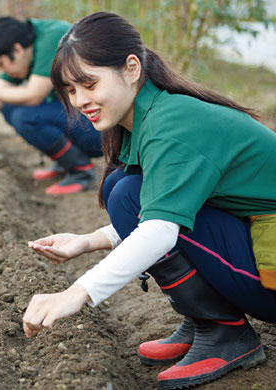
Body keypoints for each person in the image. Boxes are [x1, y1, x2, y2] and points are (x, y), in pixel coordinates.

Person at [22, 12, 276, 389]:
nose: (81, 101)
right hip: (255, 238)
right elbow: (162, 201)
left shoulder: (171, 124)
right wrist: (90, 241)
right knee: (123, 189)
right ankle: (205, 319)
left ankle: (224, 331)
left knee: (127, 193)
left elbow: (158, 228)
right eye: (71, 91)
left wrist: (76, 294)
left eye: (89, 84)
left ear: (131, 68)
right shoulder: (148, 116)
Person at [0, 16, 102, 195]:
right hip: (81, 118)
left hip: (100, 130)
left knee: (26, 117)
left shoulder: (54, 38)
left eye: (1, 63)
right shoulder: (28, 44)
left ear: (17, 49)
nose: (3, 70)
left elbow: (33, 96)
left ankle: (82, 171)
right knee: (8, 106)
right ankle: (66, 162)